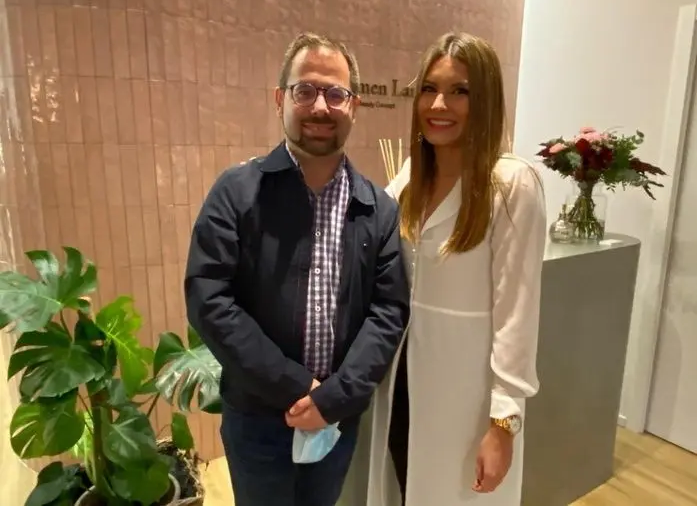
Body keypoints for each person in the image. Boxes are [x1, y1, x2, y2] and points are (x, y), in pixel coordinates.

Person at [184, 32, 410, 506]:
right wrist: (296, 386)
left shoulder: (378, 209)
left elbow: (388, 312)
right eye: (304, 90)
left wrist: (333, 399)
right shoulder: (237, 193)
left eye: (335, 94)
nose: (320, 107)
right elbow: (210, 299)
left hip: (337, 419)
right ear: (279, 99)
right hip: (257, 417)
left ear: (354, 106)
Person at [364, 32, 547, 506]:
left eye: (459, 91)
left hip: (468, 392)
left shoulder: (511, 183)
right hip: (404, 379)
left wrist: (504, 422)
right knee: (406, 486)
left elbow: (517, 313)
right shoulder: (411, 176)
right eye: (429, 88)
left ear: (485, 99)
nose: (439, 104)